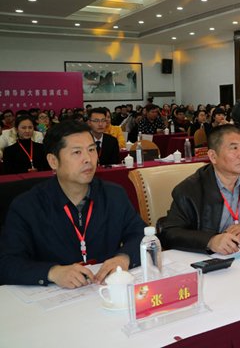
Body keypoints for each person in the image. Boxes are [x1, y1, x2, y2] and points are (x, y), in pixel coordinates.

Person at [0, 120, 146, 287]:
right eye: (77, 152)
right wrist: (51, 272)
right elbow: (7, 262)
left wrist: (124, 257)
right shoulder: (27, 206)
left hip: (105, 289)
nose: (88, 159)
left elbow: (142, 235)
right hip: (54, 295)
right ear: (53, 161)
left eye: (91, 150)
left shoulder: (114, 195)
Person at [157, 124, 240, 254]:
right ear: (213, 156)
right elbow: (169, 232)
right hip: (209, 259)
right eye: (234, 148)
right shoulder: (190, 189)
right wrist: (210, 241)